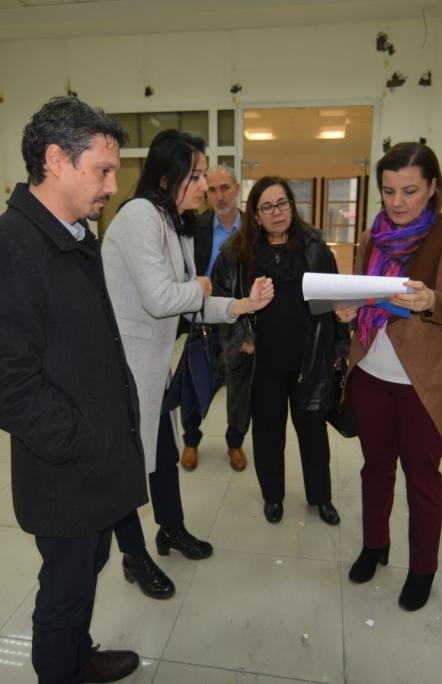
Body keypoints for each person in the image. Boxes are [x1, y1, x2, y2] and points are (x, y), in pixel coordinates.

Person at [0, 96, 141, 683]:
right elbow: (5, 387)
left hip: (96, 460)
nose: (112, 186)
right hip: (65, 469)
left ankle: (77, 657)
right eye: (103, 170)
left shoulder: (73, 235)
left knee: (87, 571)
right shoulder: (7, 246)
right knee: (64, 590)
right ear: (56, 160)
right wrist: (82, 440)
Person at [102, 130, 273, 601]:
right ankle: (133, 555)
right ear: (167, 178)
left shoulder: (172, 223)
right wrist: (197, 287)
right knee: (128, 470)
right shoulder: (139, 216)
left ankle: (170, 528)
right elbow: (165, 299)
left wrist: (241, 305)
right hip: (125, 371)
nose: (204, 187)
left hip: (153, 369)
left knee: (163, 454)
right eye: (195, 177)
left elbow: (191, 303)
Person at [336, 142, 442, 611]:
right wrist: (347, 310)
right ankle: (375, 544)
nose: (397, 202)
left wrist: (431, 300)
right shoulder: (371, 237)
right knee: (375, 467)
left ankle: (422, 569)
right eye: (389, 190)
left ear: (433, 187)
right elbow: (363, 296)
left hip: (425, 383)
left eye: (410, 190)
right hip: (371, 373)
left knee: (422, 478)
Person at [212, 176, 347, 526]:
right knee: (268, 434)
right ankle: (273, 497)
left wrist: (338, 344)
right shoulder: (236, 255)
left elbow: (334, 300)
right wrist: (239, 336)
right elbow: (221, 302)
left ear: (292, 206)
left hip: (309, 359)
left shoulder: (315, 248)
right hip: (263, 363)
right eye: (267, 207)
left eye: (282, 203)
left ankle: (321, 497)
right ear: (256, 216)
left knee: (313, 432)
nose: (276, 212)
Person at [179, 164, 249, 472]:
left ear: (237, 189)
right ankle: (191, 440)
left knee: (239, 389)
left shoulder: (252, 229)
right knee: (194, 382)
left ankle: (235, 442)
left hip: (240, 320)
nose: (219, 196)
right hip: (204, 317)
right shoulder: (195, 227)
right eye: (212, 190)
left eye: (225, 188)